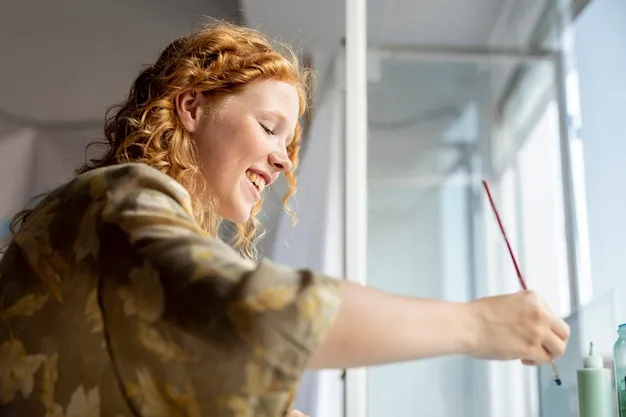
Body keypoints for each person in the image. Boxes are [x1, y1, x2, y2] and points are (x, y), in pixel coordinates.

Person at [0, 21, 570, 417]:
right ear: (192, 107)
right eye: (270, 128)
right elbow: (258, 313)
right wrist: (476, 325)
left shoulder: (140, 272)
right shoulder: (117, 199)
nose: (282, 158)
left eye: (290, 142)